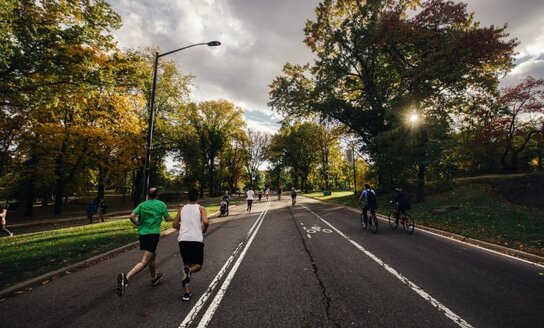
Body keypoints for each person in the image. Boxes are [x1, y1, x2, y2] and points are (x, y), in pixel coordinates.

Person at [116, 187, 171, 297]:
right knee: (145, 261)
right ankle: (126, 278)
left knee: (153, 256)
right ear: (157, 195)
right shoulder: (161, 205)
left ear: (148, 195)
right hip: (153, 235)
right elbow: (167, 219)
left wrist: (138, 224)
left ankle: (154, 278)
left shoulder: (142, 205)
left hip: (143, 235)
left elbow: (131, 216)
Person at [173, 188, 209, 301]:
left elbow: (174, 224)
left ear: (188, 197)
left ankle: (186, 293)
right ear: (198, 197)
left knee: (186, 264)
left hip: (183, 240)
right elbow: (206, 222)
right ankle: (189, 272)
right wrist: (204, 230)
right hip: (196, 240)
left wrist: (183, 228)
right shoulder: (201, 208)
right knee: (197, 265)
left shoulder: (181, 208)